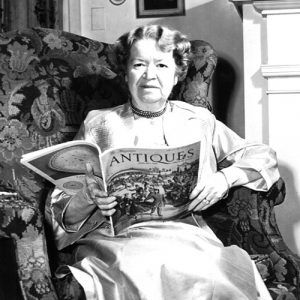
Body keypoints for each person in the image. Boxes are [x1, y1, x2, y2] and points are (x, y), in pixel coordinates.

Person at [50, 25, 279, 300]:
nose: (149, 75)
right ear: (126, 73)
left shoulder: (198, 120)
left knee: (212, 270)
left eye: (161, 65)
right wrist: (88, 197)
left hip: (187, 236)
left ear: (176, 74)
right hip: (116, 240)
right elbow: (61, 206)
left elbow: (261, 155)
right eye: (139, 65)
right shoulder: (99, 123)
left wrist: (225, 178)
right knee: (137, 266)